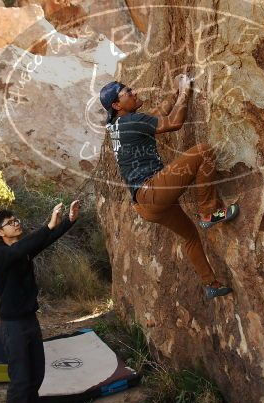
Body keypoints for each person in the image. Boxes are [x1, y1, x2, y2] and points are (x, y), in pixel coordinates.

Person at [100, 76, 239, 299]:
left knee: (191, 236)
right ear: (117, 105)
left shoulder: (118, 125)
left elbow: (157, 113)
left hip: (145, 206)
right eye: (127, 92)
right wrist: (184, 92)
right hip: (152, 192)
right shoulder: (130, 122)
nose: (134, 92)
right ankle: (208, 212)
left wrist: (176, 92)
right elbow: (173, 122)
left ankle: (210, 283)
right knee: (203, 152)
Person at [0, 199, 81, 403]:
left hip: (30, 320)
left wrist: (68, 220)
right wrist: (48, 225)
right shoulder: (0, 254)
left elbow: (43, 241)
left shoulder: (21, 249)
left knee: (36, 373)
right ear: (0, 232)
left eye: (16, 220)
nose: (16, 224)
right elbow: (22, 248)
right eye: (10, 223)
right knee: (20, 378)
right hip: (13, 325)